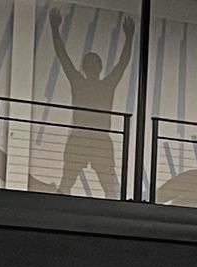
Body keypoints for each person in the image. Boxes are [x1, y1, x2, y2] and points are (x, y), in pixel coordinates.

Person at [44, 10, 131, 198]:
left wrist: (55, 29)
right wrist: (129, 38)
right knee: (72, 183)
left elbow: (64, 58)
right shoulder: (97, 84)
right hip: (87, 138)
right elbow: (64, 57)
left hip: (89, 139)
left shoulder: (86, 83)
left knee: (97, 186)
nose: (92, 67)